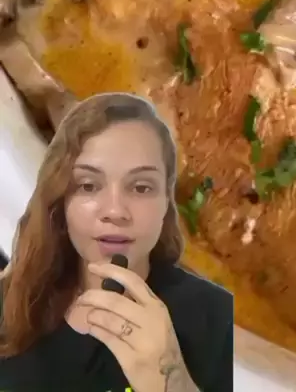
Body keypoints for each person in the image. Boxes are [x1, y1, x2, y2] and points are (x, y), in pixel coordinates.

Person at [0, 92, 233, 392]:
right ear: (60, 198)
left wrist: (174, 383)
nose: (115, 211)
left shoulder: (217, 317)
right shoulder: (12, 299)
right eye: (88, 185)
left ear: (166, 202)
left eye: (141, 187)